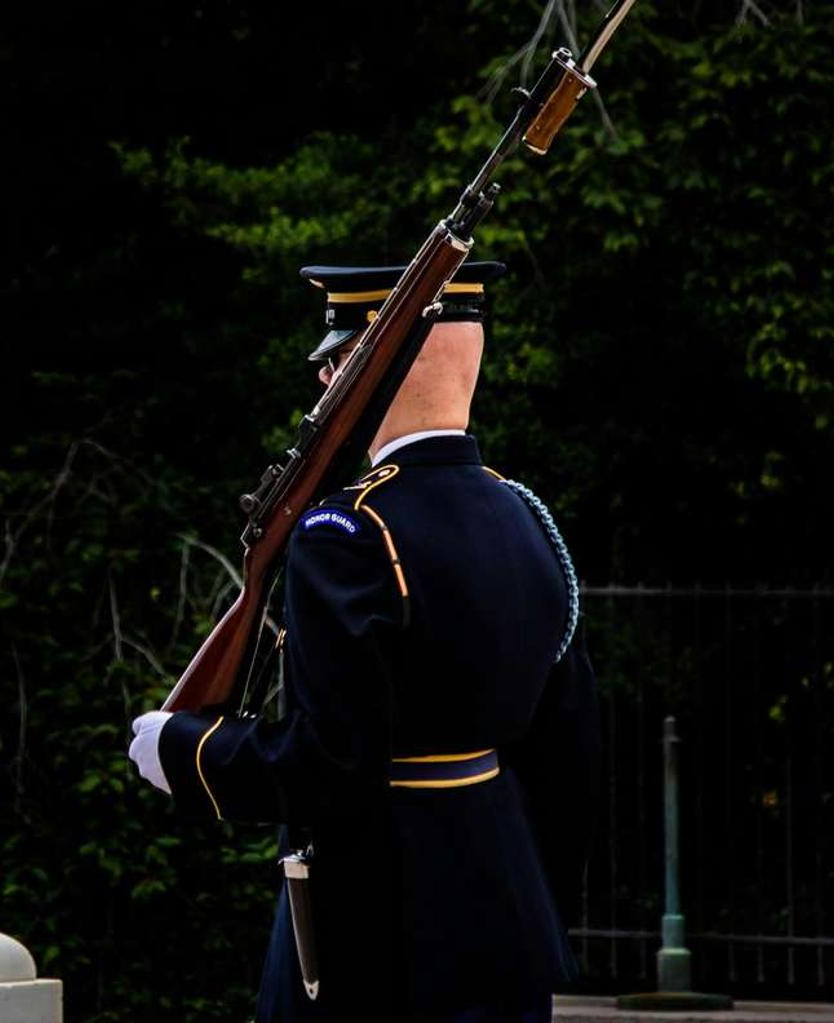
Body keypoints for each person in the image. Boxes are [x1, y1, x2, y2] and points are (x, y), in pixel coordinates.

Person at [127, 261, 601, 1022]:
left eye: (339, 357)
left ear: (374, 370)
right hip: (504, 915)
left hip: (375, 930)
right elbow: (568, 748)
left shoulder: (345, 532)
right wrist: (536, 898)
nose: (323, 376)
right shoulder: (524, 516)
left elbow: (329, 764)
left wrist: (186, 749)